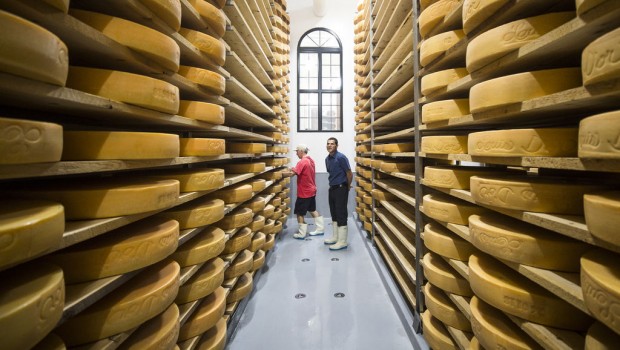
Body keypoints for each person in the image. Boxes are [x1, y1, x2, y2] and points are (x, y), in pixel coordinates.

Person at [281, 144, 325, 239]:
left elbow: (292, 174)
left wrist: (280, 174)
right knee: (312, 209)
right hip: (312, 189)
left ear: (301, 151)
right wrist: (293, 168)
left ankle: (301, 234)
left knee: (299, 213)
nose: (296, 153)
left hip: (304, 192)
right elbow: (301, 171)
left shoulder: (302, 162)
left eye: (297, 151)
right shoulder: (310, 160)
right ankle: (320, 229)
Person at [324, 137, 352, 250]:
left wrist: (347, 186)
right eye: (328, 144)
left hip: (341, 188)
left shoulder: (341, 157)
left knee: (341, 213)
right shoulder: (327, 159)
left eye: (332, 144)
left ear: (337, 146)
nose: (330, 145)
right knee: (334, 213)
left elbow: (349, 173)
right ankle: (336, 237)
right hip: (332, 188)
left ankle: (343, 241)